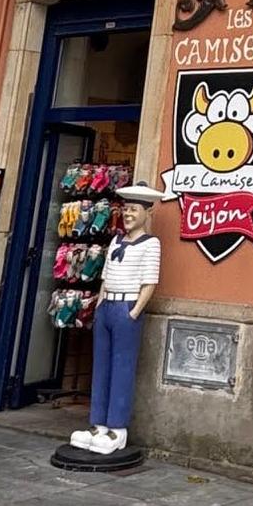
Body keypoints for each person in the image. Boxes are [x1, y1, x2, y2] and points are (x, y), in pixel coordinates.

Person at [69, 185, 162, 455]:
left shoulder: (151, 244)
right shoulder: (115, 241)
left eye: (134, 210)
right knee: (101, 366)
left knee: (122, 367)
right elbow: (105, 276)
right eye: (125, 209)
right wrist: (100, 305)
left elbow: (149, 282)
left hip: (127, 306)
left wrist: (135, 311)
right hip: (107, 305)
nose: (128, 214)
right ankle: (97, 423)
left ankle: (117, 428)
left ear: (146, 213)